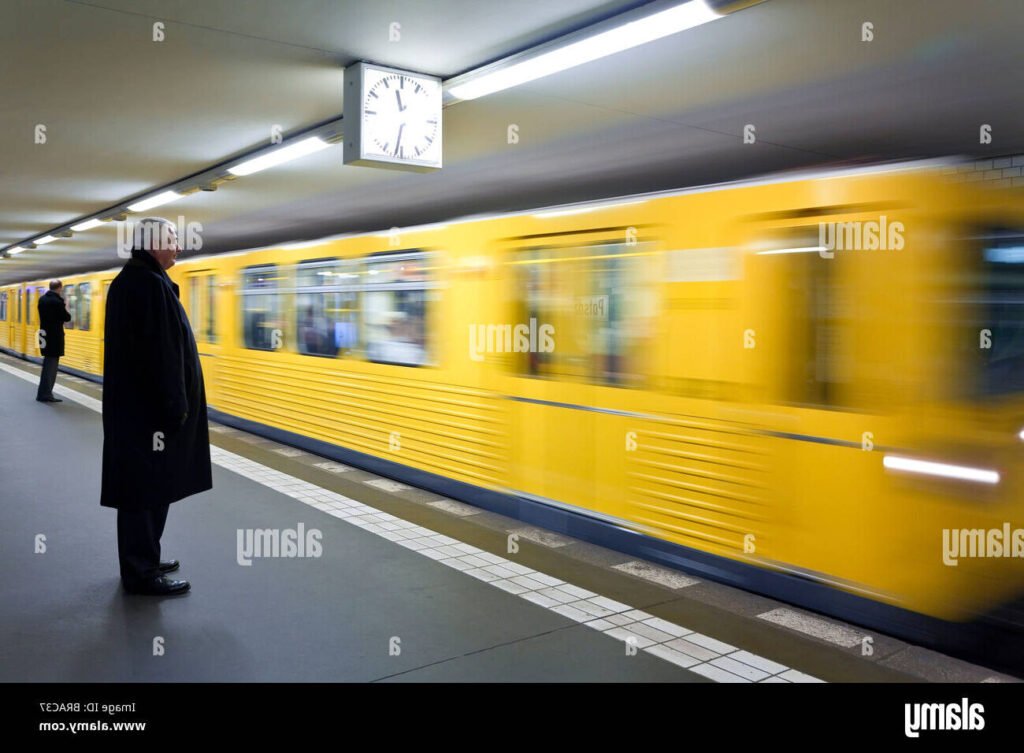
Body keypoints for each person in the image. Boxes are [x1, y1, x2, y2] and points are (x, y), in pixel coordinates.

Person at [100, 217, 212, 596]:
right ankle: (140, 572)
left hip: (141, 413)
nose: (179, 246)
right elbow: (161, 354)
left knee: (150, 489)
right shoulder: (146, 285)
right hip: (150, 417)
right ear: (153, 243)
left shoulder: (137, 281)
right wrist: (174, 408)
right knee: (144, 492)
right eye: (173, 239)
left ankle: (146, 557)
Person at [35, 280, 71, 403]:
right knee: (51, 366)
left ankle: (44, 393)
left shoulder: (42, 299)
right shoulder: (57, 301)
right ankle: (45, 394)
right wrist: (65, 304)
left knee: (47, 365)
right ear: (60, 288)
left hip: (44, 335)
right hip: (54, 337)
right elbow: (67, 317)